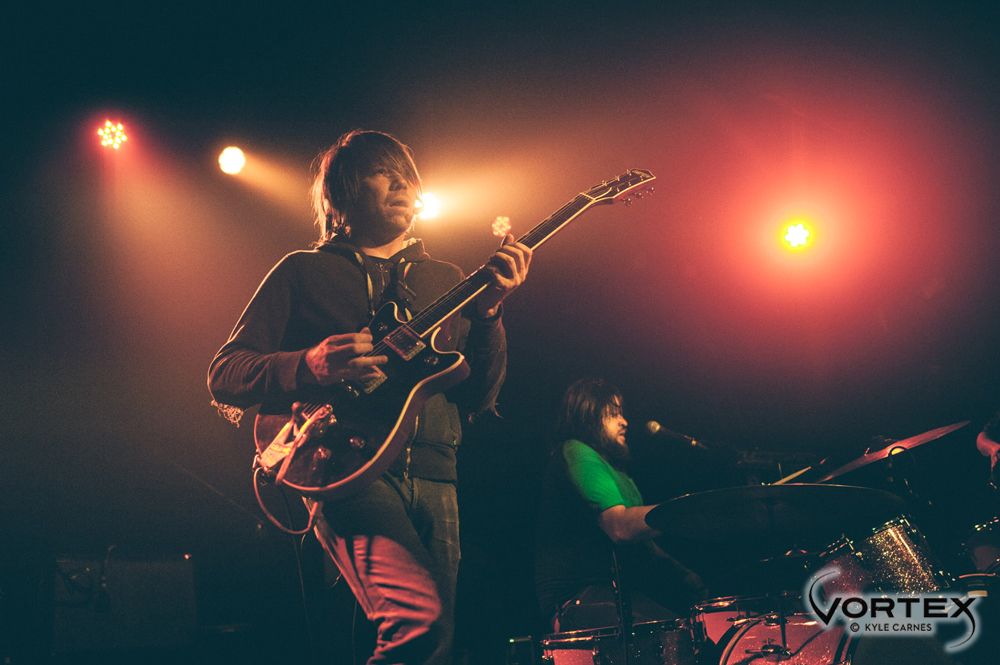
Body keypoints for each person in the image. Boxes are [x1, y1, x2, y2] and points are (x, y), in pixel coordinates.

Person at [208, 130, 531, 665]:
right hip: (345, 467)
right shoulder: (301, 271)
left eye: (406, 170)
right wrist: (307, 363)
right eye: (383, 171)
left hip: (437, 474)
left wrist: (491, 314)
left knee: (435, 644)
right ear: (341, 197)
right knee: (417, 623)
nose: (402, 181)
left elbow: (478, 393)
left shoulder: (447, 280)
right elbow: (225, 373)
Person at [534, 378, 705, 633]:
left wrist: (683, 574)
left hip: (617, 595)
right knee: (678, 637)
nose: (624, 421)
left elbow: (643, 542)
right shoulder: (576, 452)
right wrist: (685, 511)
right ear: (588, 415)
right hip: (578, 599)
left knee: (689, 631)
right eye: (613, 414)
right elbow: (621, 527)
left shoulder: (617, 472)